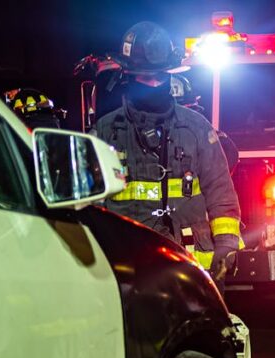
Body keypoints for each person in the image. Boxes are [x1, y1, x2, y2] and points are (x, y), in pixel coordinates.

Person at [92, 22, 241, 286]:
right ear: (127, 77)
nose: (154, 83)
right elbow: (91, 203)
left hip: (193, 269)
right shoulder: (105, 132)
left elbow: (220, 192)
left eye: (160, 77)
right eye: (145, 77)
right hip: (129, 270)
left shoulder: (196, 128)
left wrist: (227, 245)